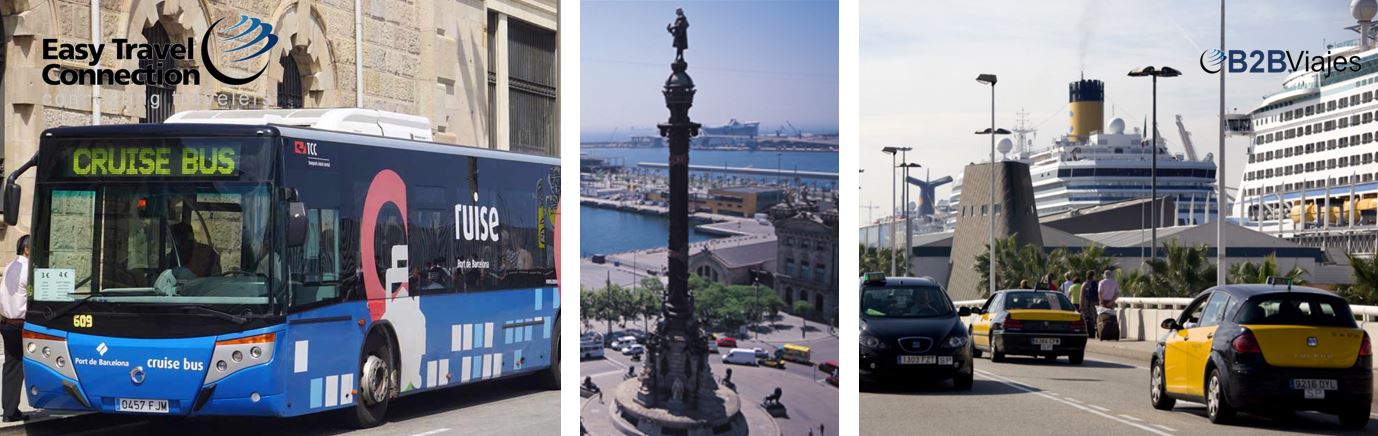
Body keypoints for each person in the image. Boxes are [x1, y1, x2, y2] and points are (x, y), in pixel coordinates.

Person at [0, 236, 30, 422]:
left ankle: (10, 410)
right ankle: (11, 411)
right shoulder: (27, 269)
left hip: (6, 322)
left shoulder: (11, 265)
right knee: (19, 365)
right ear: (27, 249)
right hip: (20, 324)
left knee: (11, 366)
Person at [1080, 270, 1100, 337]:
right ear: (1093, 276)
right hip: (1094, 303)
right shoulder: (1096, 283)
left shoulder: (1084, 284)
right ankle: (1096, 332)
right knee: (1094, 318)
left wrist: (1081, 305)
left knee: (1086, 318)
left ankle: (1088, 332)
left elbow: (1081, 295)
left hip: (1086, 303)